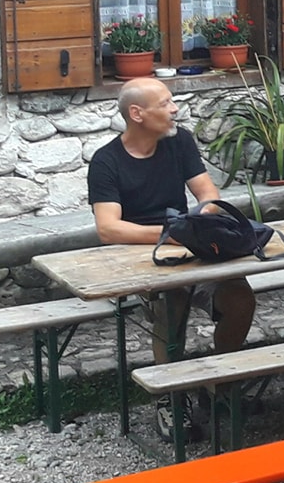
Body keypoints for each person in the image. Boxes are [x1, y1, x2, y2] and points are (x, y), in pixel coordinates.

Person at [88, 77, 254, 439]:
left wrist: (202, 220)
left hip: (190, 245)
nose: (175, 109)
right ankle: (170, 398)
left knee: (240, 298)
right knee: (170, 301)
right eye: (165, 103)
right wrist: (170, 233)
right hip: (138, 257)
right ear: (137, 114)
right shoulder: (106, 161)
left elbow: (208, 193)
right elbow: (109, 229)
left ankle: (219, 385)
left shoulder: (180, 142)